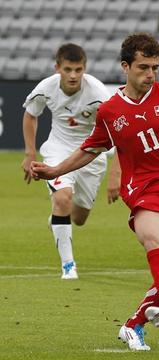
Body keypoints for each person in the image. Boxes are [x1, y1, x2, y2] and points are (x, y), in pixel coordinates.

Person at [30, 33, 159, 351]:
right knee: (155, 240)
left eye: (155, 67)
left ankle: (133, 325)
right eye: (143, 67)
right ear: (125, 67)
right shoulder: (110, 112)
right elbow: (90, 149)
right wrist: (54, 171)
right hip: (147, 189)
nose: (150, 74)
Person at [21, 43, 112, 280]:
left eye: (78, 70)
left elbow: (116, 130)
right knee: (63, 198)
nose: (73, 75)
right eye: (68, 69)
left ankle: (57, 219)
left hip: (91, 154)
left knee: (79, 218)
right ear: (58, 68)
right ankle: (68, 266)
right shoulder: (46, 88)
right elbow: (31, 114)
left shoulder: (99, 94)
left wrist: (118, 173)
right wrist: (30, 153)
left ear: (85, 69)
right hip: (58, 150)